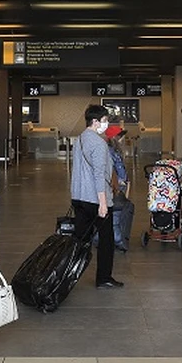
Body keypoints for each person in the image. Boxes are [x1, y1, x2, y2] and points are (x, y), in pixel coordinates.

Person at [70, 104, 120, 289]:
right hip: (95, 199)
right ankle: (104, 277)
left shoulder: (80, 139)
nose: (106, 124)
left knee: (80, 240)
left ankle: (67, 273)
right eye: (105, 120)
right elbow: (99, 175)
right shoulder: (99, 144)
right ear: (95, 121)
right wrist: (103, 203)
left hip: (79, 197)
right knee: (106, 240)